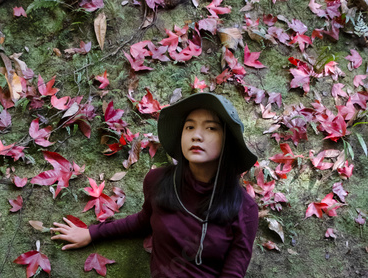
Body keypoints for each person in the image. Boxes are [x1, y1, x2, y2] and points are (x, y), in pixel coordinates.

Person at [51, 92, 259, 277]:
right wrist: (92, 233)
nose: (196, 135)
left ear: (227, 141)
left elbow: (233, 272)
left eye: (211, 128)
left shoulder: (244, 210)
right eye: (189, 127)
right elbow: (144, 220)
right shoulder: (158, 181)